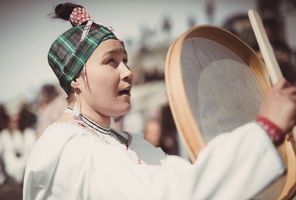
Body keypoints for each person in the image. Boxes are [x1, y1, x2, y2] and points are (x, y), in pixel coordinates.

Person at [23, 3, 296, 200]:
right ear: (75, 78)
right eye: (111, 62)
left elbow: (187, 176)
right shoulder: (73, 153)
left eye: (126, 61)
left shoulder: (122, 140)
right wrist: (265, 129)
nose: (128, 73)